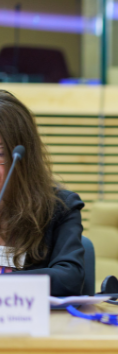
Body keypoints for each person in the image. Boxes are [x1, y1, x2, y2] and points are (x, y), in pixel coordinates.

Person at [0, 90, 85, 296]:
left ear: (23, 158)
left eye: (0, 154)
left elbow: (70, 278)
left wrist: (5, 284)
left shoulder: (60, 207)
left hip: (32, 315)